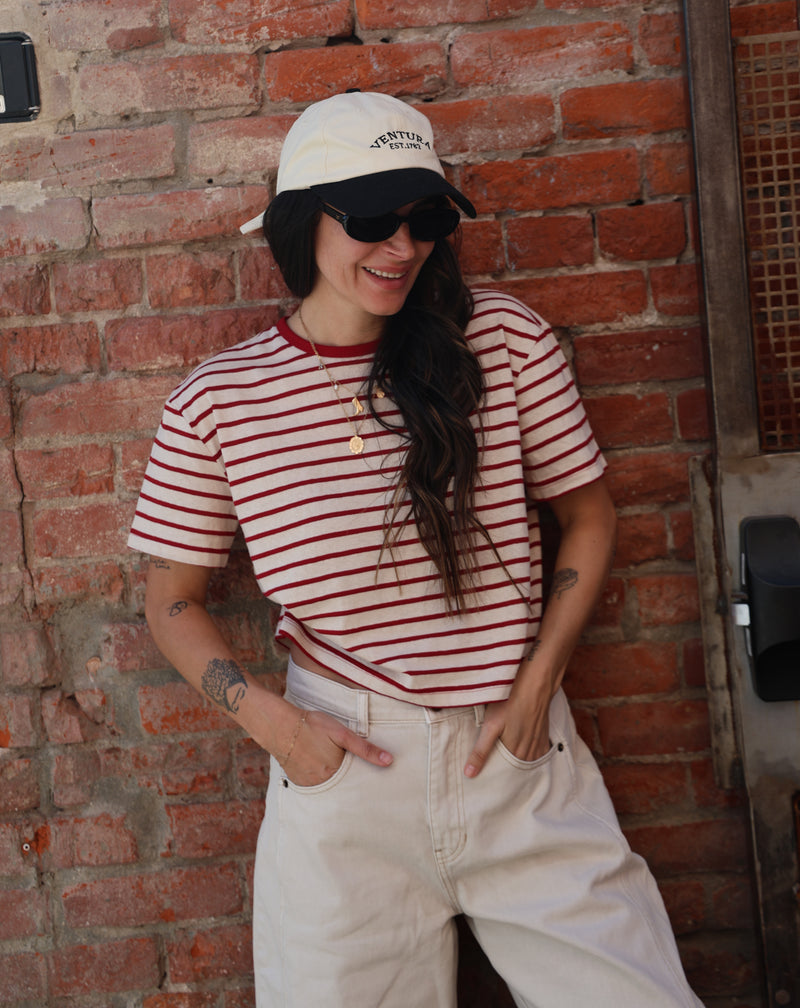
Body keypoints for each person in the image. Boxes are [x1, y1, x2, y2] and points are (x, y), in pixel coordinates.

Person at [129, 91, 703, 1008]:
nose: (402, 248)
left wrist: (539, 682)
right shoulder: (220, 401)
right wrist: (270, 722)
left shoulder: (500, 339)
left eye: (426, 217)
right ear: (299, 223)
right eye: (370, 220)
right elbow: (170, 599)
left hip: (517, 755)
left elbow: (589, 517)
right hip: (342, 772)